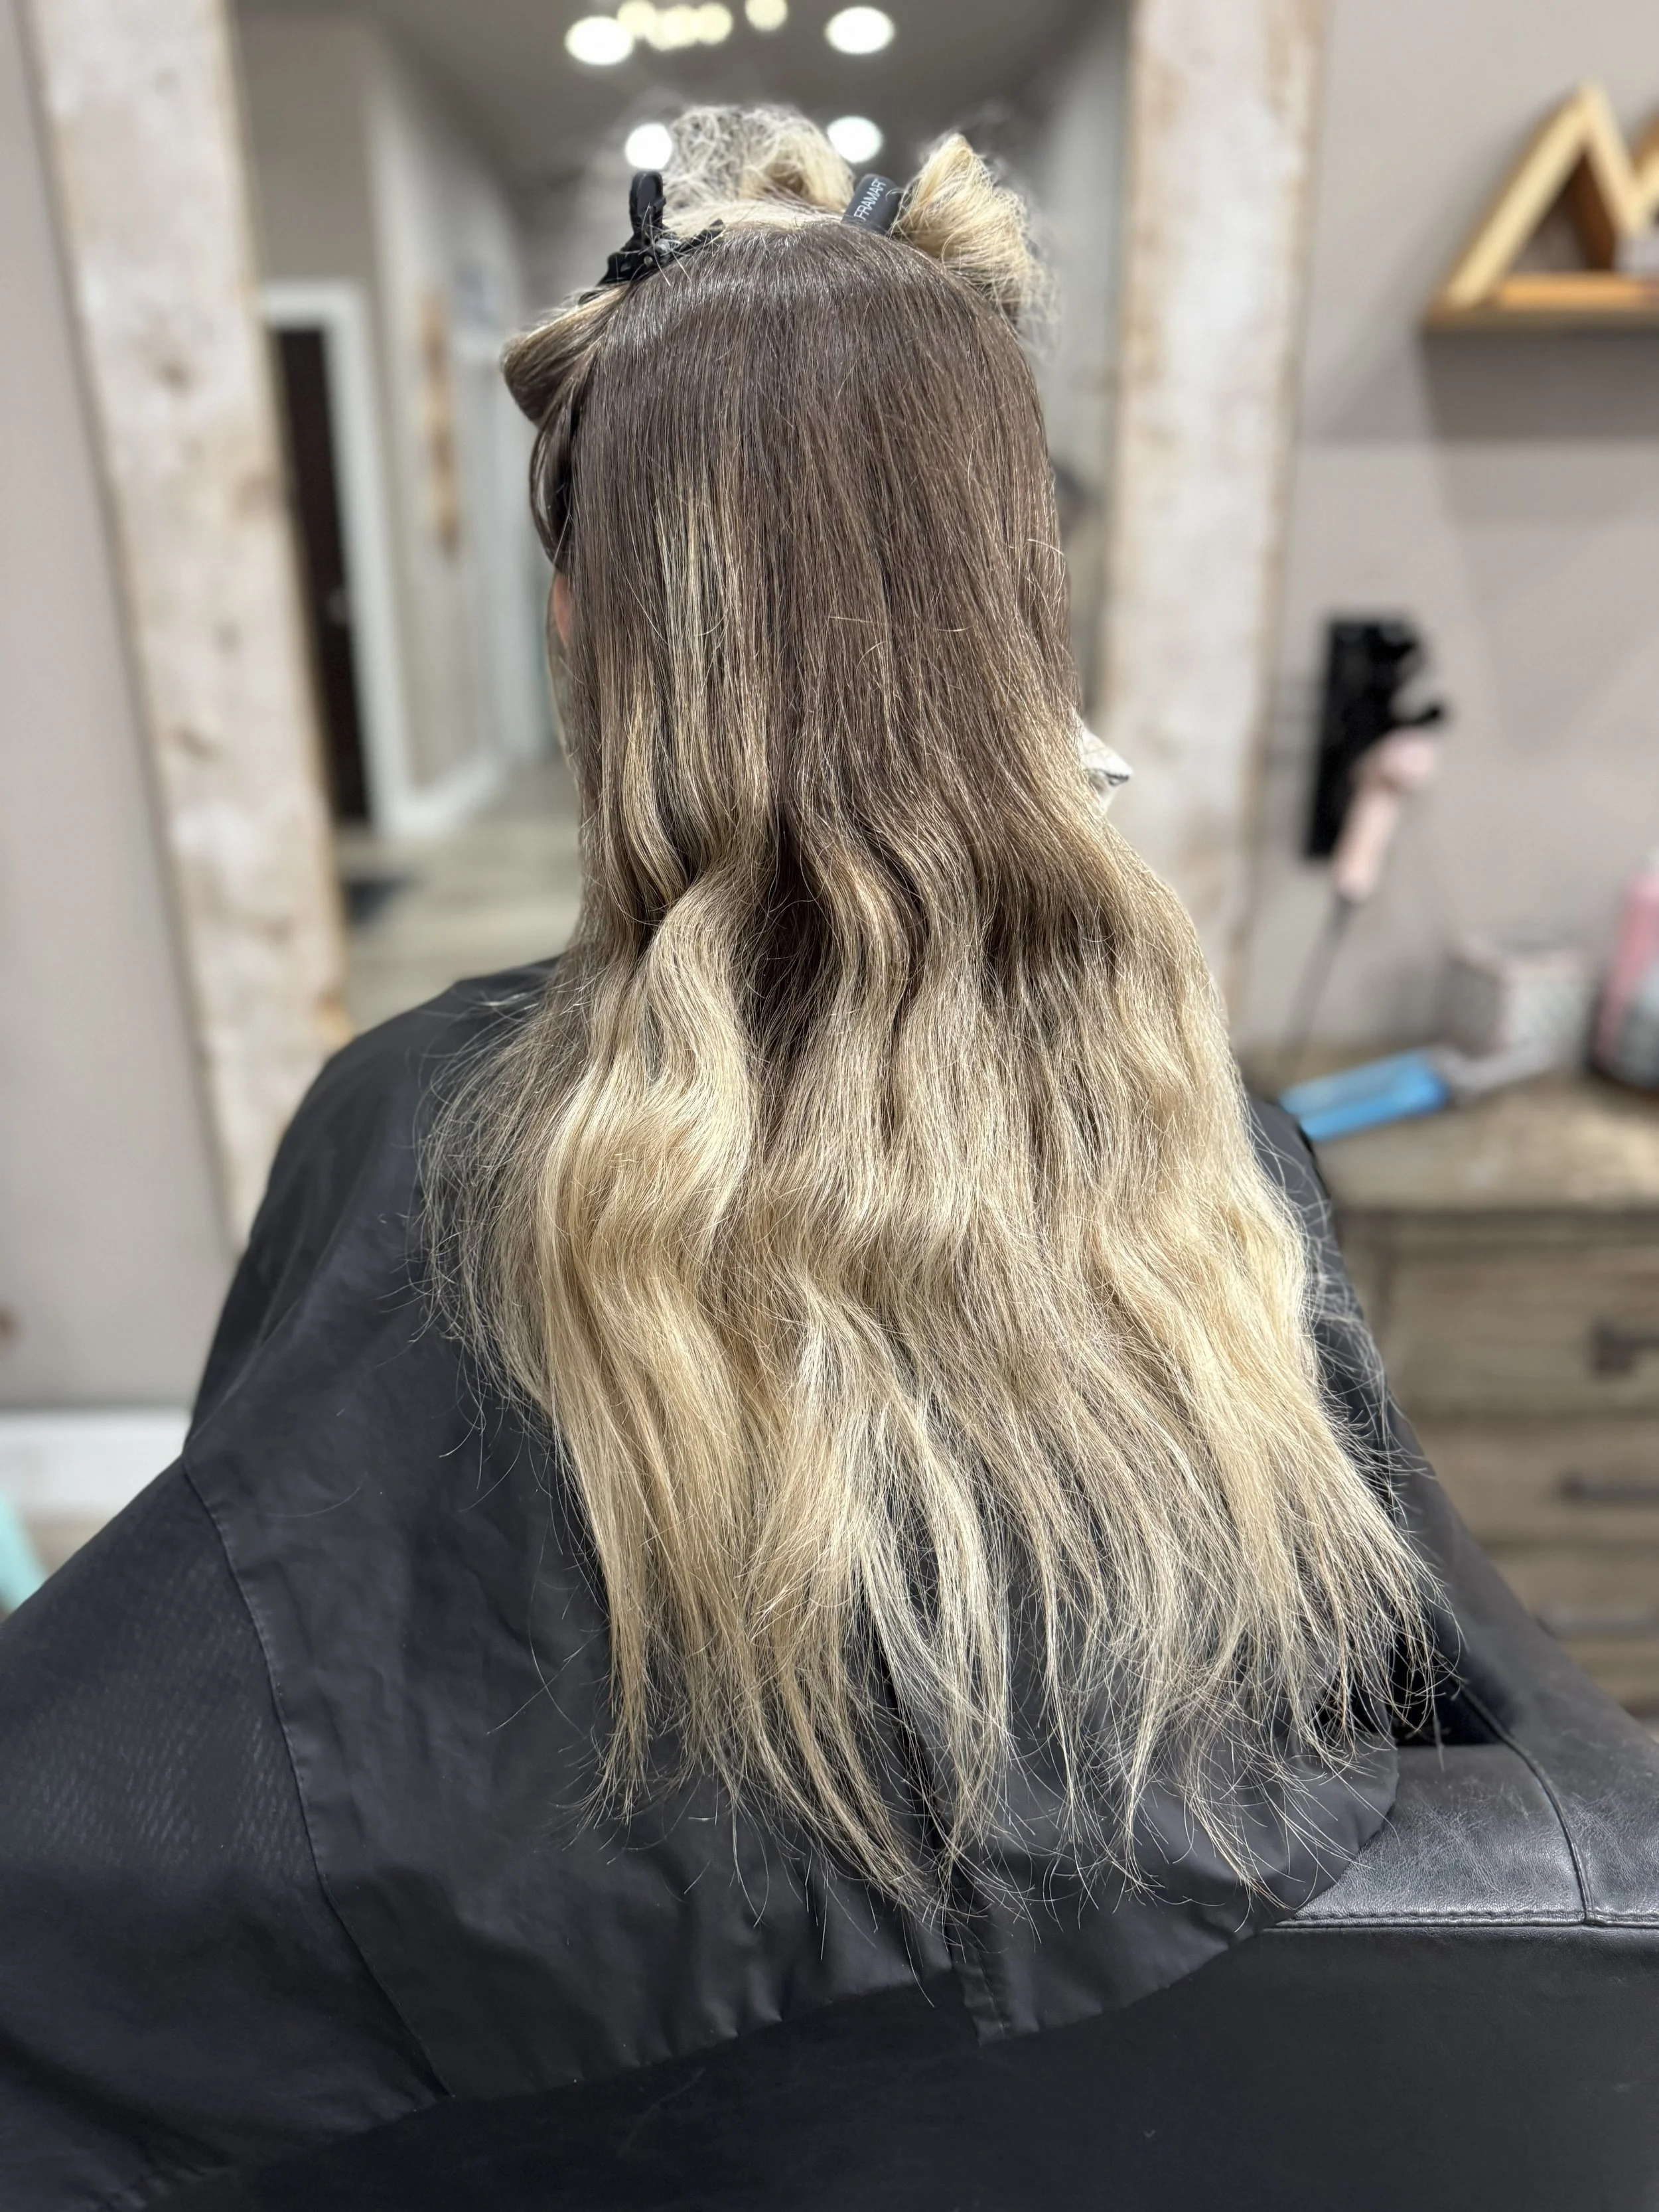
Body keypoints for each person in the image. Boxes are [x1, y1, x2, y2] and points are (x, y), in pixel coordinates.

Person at [0, 111, 1439, 2211]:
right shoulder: (1225, 1159)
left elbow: (220, 1745)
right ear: (1016, 614)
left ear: (585, 628)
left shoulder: (394, 1116)